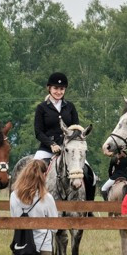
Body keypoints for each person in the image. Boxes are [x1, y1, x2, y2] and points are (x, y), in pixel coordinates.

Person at [34, 71, 96, 201]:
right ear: (49, 88)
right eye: (55, 88)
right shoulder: (42, 108)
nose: (58, 91)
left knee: (89, 173)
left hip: (70, 150)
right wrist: (51, 144)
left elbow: (76, 128)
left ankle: (89, 208)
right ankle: (32, 205)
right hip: (47, 149)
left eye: (61, 89)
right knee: (33, 172)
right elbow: (38, 132)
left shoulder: (70, 107)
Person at [9, 158, 59, 255]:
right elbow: (55, 227)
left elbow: (14, 218)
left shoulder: (14, 195)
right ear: (43, 175)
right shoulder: (47, 198)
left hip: (20, 246)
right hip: (42, 248)